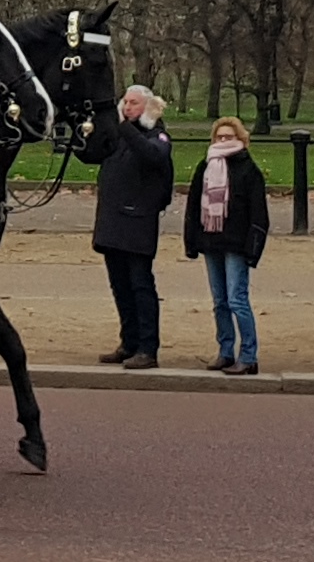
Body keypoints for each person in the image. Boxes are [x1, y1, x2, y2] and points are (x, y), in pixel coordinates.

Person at [92, 85, 175, 367]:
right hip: (112, 222)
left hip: (138, 223)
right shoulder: (118, 137)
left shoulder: (156, 135)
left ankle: (147, 348)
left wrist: (125, 128)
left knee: (141, 286)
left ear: (148, 107)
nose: (128, 107)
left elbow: (153, 156)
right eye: (125, 102)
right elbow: (92, 153)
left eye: (134, 103)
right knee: (120, 286)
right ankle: (128, 342)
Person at [180, 114, 269, 375]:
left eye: (228, 137)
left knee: (237, 299)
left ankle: (249, 355)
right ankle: (225, 351)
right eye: (219, 137)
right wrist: (191, 242)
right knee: (219, 301)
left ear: (240, 139)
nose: (223, 141)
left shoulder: (248, 169)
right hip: (211, 241)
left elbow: (258, 214)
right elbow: (194, 206)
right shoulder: (205, 167)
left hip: (237, 244)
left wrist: (254, 249)